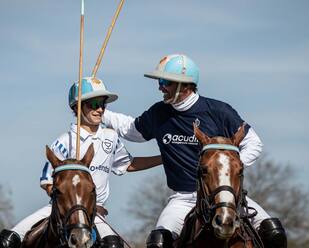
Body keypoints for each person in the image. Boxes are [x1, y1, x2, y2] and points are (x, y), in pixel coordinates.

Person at [102, 54, 287, 248]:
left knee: (274, 233)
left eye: (165, 82)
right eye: (159, 81)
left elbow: (254, 143)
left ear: (185, 85)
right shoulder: (159, 113)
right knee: (158, 242)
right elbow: (130, 130)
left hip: (225, 194)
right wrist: (99, 111)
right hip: (183, 198)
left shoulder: (218, 111)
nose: (160, 87)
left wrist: (229, 168)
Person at [0, 77, 162, 248]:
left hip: (95, 211)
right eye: (93, 104)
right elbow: (46, 180)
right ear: (77, 107)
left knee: (113, 245)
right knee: (6, 241)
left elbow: (128, 164)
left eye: (103, 104)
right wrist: (66, 199)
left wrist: (163, 158)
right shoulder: (66, 140)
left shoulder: (111, 136)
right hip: (62, 210)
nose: (100, 109)